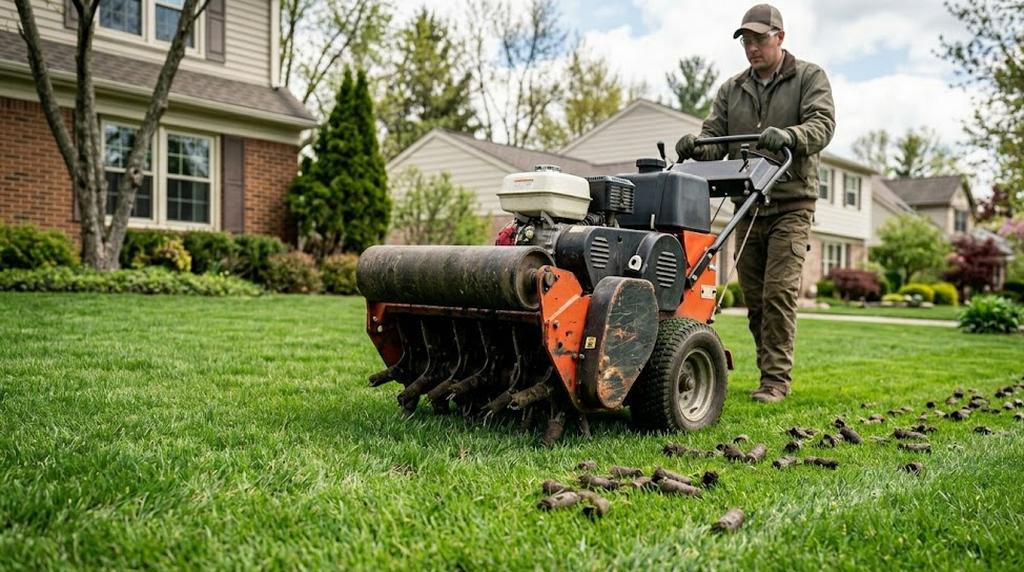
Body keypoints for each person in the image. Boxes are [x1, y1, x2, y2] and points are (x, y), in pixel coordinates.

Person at [675, 4, 835, 403]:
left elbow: (823, 124)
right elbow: (714, 136)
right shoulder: (732, 89)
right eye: (746, 40)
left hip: (791, 202)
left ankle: (776, 381)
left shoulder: (808, 77)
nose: (752, 47)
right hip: (747, 203)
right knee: (756, 297)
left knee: (779, 291)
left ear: (780, 37)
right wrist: (694, 145)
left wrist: (791, 137)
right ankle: (769, 373)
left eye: (759, 39)